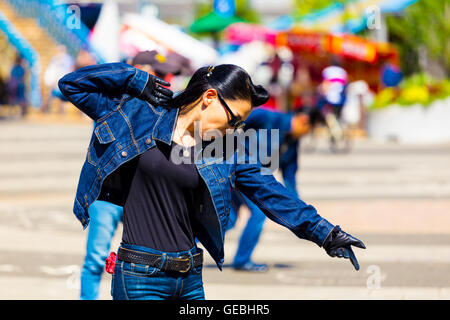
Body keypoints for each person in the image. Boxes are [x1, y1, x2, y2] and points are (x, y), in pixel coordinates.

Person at [59, 62, 365, 300]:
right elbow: (72, 84)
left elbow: (272, 193)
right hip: (140, 276)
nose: (234, 129)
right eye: (233, 120)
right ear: (209, 97)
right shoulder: (140, 116)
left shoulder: (226, 149)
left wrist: (325, 234)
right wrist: (135, 78)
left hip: (190, 277)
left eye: (240, 124)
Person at [79, 50, 182, 300]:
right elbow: (72, 85)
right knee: (95, 260)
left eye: (165, 75)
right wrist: (128, 78)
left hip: (143, 198)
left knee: (155, 261)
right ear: (140, 72)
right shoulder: (111, 102)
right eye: (157, 75)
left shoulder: (166, 110)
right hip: (108, 196)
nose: (163, 81)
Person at [226, 108, 310, 272]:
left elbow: (289, 177)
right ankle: (242, 260)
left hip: (255, 180)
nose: (306, 134)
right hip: (240, 172)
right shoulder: (270, 118)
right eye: (309, 129)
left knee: (228, 220)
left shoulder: (292, 143)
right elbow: (245, 118)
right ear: (303, 119)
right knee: (257, 214)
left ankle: (183, 247)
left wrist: (299, 210)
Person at [42, 46, 74, 114]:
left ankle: (62, 110)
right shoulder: (55, 58)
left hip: (63, 80)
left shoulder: (67, 59)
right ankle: (48, 109)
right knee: (52, 95)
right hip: (54, 81)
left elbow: (68, 69)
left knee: (63, 95)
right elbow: (52, 70)